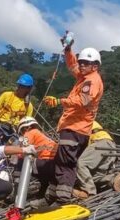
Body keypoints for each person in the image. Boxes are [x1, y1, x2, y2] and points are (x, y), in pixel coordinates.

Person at [44, 41, 104, 201]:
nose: (82, 65)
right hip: (74, 128)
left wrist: (59, 101)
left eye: (86, 63)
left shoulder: (92, 81)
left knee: (65, 163)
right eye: (81, 62)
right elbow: (72, 65)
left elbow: (83, 100)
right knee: (62, 161)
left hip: (75, 128)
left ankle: (62, 198)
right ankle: (52, 196)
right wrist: (68, 50)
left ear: (95, 66)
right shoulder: (83, 77)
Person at [73, 121, 120, 199]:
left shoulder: (80, 119)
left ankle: (88, 192)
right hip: (110, 146)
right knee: (94, 176)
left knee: (81, 163)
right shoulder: (81, 120)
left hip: (100, 143)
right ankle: (114, 179)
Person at [0, 73, 34, 145]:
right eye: (20, 85)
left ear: (28, 89)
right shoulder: (7, 95)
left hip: (14, 132)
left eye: (23, 87)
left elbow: (26, 124)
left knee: (15, 150)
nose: (20, 88)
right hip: (0, 126)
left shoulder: (28, 106)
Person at [17, 116, 58, 198]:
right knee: (37, 162)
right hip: (56, 163)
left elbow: (23, 151)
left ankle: (17, 191)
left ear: (25, 128)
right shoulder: (39, 134)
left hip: (48, 163)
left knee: (20, 162)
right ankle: (43, 188)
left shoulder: (29, 133)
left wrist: (14, 154)